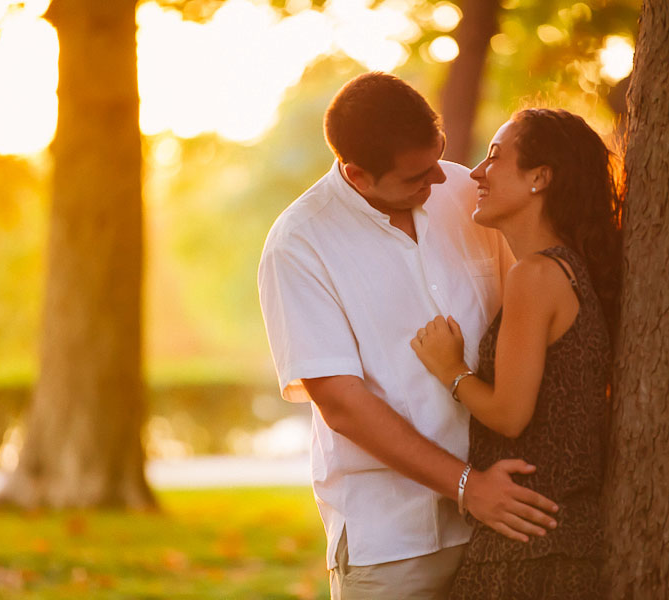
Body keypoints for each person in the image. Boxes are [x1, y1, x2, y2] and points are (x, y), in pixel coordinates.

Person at [257, 74, 560, 599]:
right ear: (356, 175)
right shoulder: (299, 245)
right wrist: (469, 487)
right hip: (391, 541)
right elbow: (344, 405)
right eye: (417, 176)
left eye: (439, 158)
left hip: (504, 520)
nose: (440, 181)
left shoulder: (466, 190)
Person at [412, 108, 622, 599]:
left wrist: (452, 370)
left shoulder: (535, 275)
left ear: (540, 178)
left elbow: (509, 415)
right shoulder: (565, 270)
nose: (478, 173)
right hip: (559, 545)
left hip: (525, 555)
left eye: (495, 157)